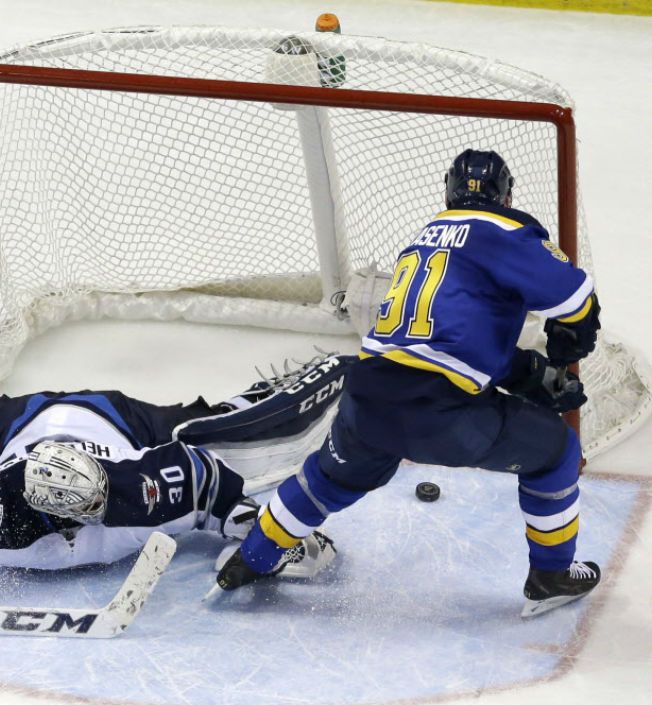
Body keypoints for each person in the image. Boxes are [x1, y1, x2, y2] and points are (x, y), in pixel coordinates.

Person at [213, 150, 602, 618]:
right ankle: (552, 575)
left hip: (366, 397)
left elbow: (448, 338)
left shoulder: (421, 242)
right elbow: (578, 300)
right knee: (555, 455)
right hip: (442, 415)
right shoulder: (505, 231)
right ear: (507, 194)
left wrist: (525, 372)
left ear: (447, 191)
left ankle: (252, 559)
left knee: (326, 479)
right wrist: (568, 343)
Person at [0, 313, 347, 571]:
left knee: (239, 424)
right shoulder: (1, 509)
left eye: (92, 507)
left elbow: (208, 484)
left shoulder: (140, 491)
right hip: (13, 426)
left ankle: (339, 369)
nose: (82, 521)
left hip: (124, 423)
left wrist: (260, 534)